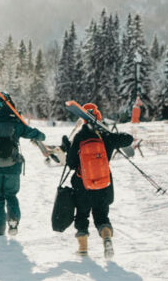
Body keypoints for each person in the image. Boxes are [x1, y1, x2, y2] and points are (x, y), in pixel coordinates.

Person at [63, 103, 133, 257]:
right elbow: (129, 139)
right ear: (99, 118)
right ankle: (106, 238)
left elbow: (71, 164)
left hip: (82, 185)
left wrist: (68, 147)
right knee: (101, 216)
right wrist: (111, 135)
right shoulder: (106, 137)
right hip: (103, 184)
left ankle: (83, 249)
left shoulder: (79, 137)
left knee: (82, 216)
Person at [0, 93, 46, 236]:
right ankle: (13, 220)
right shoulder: (17, 124)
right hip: (13, 167)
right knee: (11, 196)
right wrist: (39, 134)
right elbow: (38, 135)